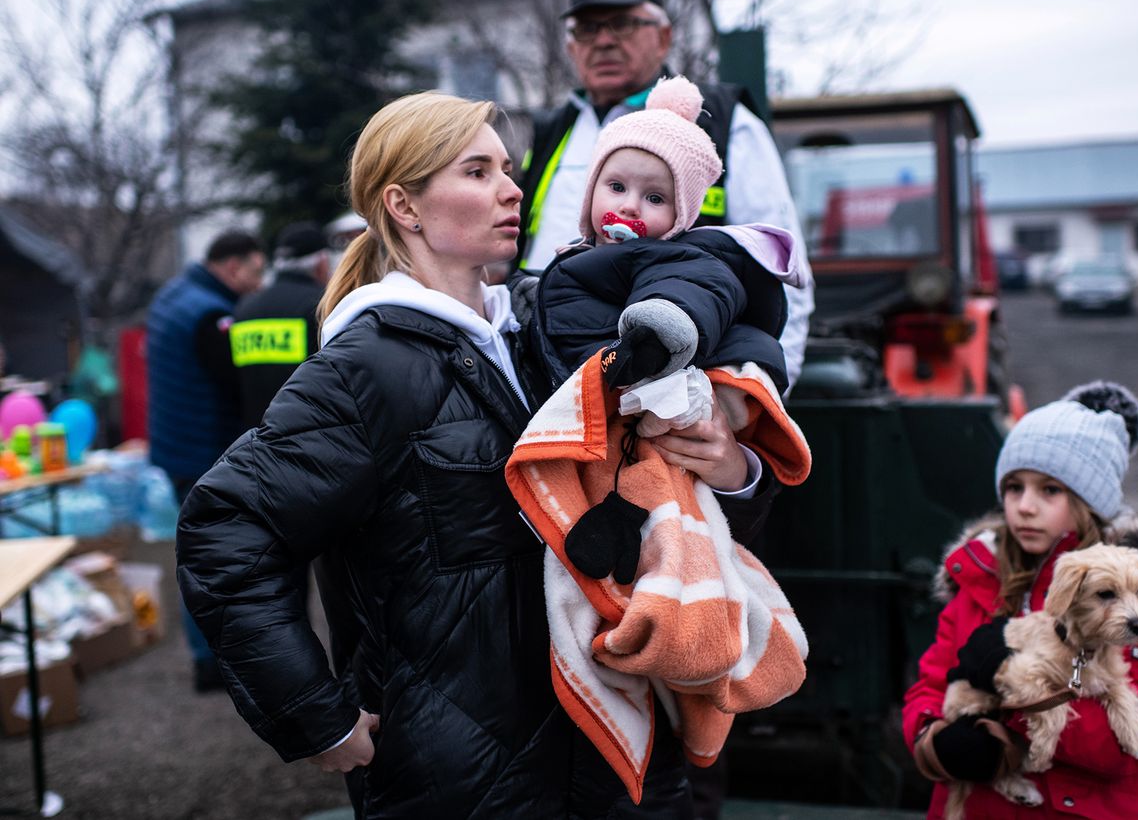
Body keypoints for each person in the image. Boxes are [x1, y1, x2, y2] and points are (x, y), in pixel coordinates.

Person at [175, 91, 781, 818]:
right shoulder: (366, 368)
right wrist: (312, 714)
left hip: (620, 756)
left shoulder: (545, 334)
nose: (512, 188)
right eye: (477, 170)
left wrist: (730, 469)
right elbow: (226, 530)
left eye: (507, 167)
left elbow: (663, 513)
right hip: (465, 786)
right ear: (404, 206)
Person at [904, 381, 1138, 819]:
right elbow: (929, 685)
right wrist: (935, 737)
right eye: (1014, 488)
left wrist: (1012, 705)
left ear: (1088, 502)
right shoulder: (977, 582)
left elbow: (1126, 745)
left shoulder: (1132, 597)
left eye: (1049, 491)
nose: (1025, 506)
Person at [517, 0, 814, 392]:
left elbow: (781, 267)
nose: (602, 40)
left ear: (664, 37)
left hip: (675, 378)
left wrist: (757, 405)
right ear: (570, 47)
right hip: (553, 370)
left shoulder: (724, 119)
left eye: (621, 24)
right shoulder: (551, 130)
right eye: (585, 29)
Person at [529, 75, 803, 397]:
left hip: (642, 391)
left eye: (655, 198)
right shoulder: (577, 256)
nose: (629, 206)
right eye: (616, 187)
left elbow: (692, 293)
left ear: (681, 215)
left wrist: (652, 337)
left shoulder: (677, 260)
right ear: (591, 191)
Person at [146, 228, 264, 691]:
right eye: (255, 273)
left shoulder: (174, 294)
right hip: (201, 453)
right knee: (211, 564)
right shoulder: (210, 314)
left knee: (194, 558)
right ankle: (213, 664)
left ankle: (206, 659)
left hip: (176, 449)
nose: (258, 284)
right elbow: (235, 384)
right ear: (233, 267)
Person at [230, 221, 332, 428]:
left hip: (254, 442)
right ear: (322, 262)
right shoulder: (321, 305)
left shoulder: (244, 309)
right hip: (308, 435)